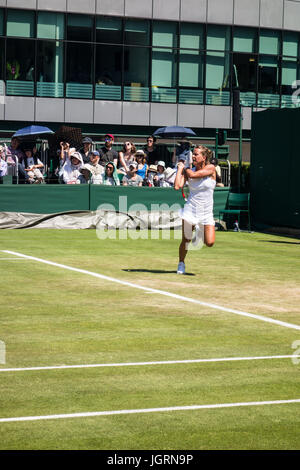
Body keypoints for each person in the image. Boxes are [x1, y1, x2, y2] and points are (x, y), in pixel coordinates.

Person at [174, 145, 216, 275]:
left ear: (204, 157)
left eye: (196, 154)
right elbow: (177, 186)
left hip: (206, 213)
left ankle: (199, 230)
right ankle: (181, 263)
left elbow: (194, 174)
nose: (193, 156)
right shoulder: (188, 171)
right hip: (190, 210)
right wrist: (179, 169)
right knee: (186, 240)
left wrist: (185, 169)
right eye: (193, 154)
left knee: (210, 243)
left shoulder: (211, 169)